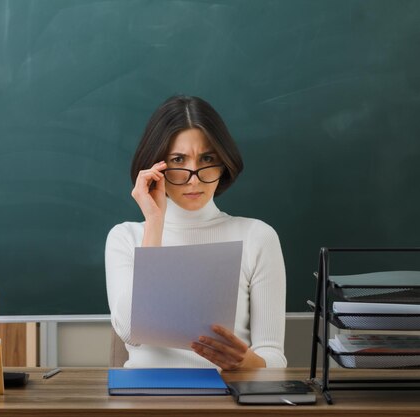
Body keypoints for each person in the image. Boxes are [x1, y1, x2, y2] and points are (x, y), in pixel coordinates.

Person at [105, 95, 287, 370]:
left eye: (207, 158)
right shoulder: (125, 237)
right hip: (143, 404)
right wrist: (155, 222)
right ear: (157, 166)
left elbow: (274, 358)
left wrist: (247, 362)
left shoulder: (257, 236)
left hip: (227, 399)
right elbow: (131, 331)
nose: (194, 177)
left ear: (223, 162)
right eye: (178, 160)